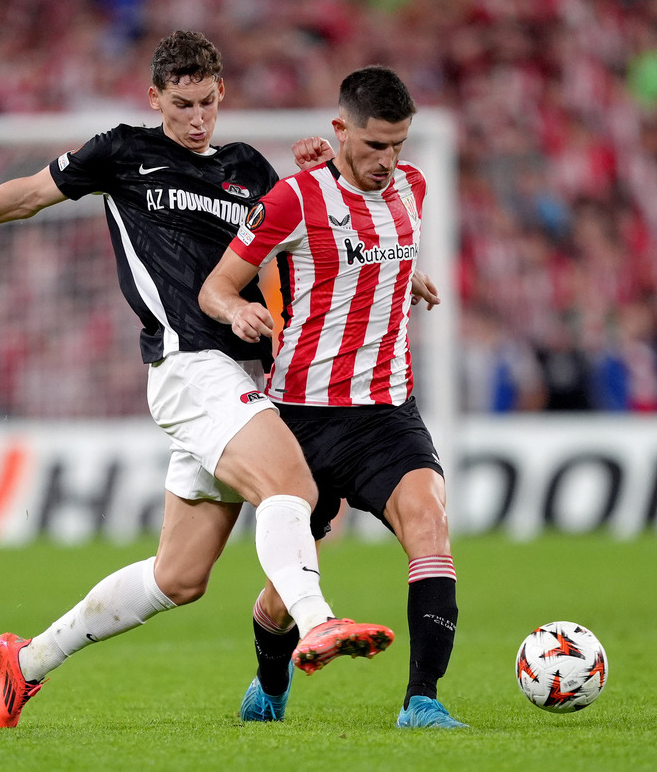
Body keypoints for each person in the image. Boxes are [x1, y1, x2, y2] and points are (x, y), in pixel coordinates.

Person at [0, 30, 393, 729]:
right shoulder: (122, 152)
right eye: (181, 104)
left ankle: (24, 662)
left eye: (207, 102)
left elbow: (310, 235)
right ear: (155, 98)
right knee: (291, 486)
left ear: (221, 94)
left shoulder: (246, 169)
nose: (197, 117)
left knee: (179, 577)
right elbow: (26, 195)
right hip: (186, 366)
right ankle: (318, 622)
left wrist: (328, 183)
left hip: (236, 376)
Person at [199, 65, 466, 729]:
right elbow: (217, 286)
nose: (388, 160)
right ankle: (270, 683)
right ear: (340, 129)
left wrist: (413, 279)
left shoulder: (414, 186)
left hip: (386, 412)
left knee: (430, 523)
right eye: (374, 145)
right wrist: (237, 313)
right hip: (302, 419)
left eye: (398, 144)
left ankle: (422, 700)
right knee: (286, 592)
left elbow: (376, 251)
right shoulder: (293, 199)